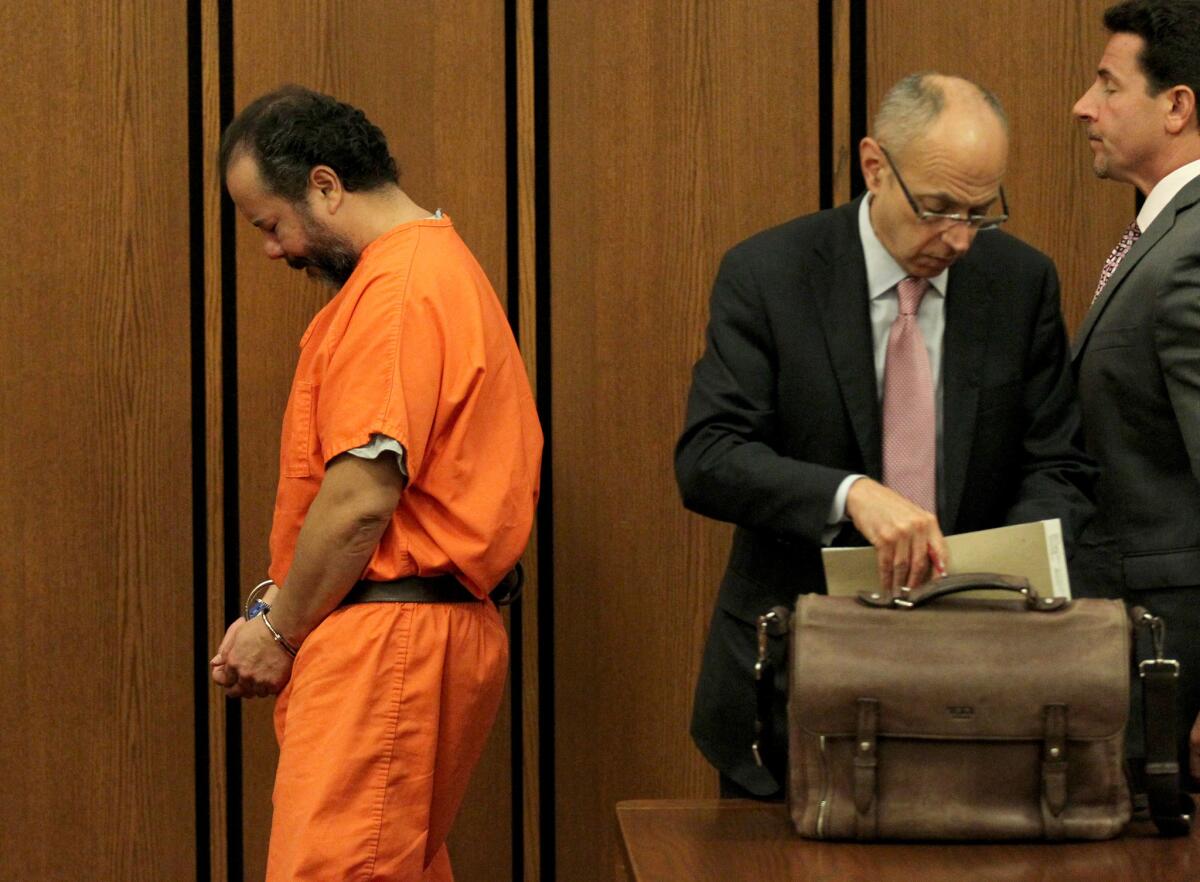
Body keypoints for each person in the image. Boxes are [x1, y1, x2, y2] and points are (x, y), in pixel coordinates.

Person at [675, 73, 1096, 798]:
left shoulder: (1019, 282)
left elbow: (1058, 463)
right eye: (936, 209)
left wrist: (1003, 575)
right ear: (875, 166)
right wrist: (849, 494)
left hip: (977, 681)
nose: (959, 239)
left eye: (980, 212)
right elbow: (710, 456)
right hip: (794, 686)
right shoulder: (769, 274)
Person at [208, 85, 542, 880]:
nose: (273, 250)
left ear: (325, 184)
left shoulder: (395, 289)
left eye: (270, 225)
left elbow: (360, 502)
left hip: (387, 641)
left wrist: (278, 630)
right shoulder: (432, 268)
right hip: (410, 633)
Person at [1070, 0, 1200, 784]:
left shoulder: (1190, 253)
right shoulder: (1164, 235)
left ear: (1177, 106)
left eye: (1108, 85)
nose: (1083, 106)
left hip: (1176, 657)